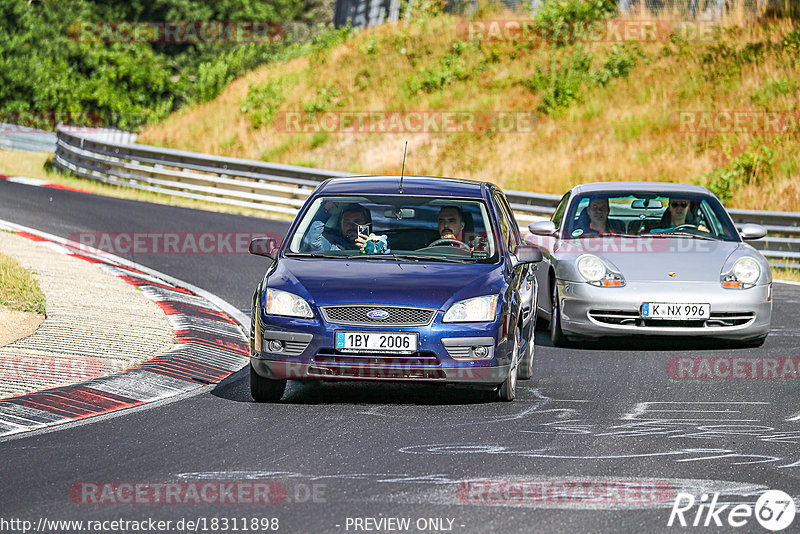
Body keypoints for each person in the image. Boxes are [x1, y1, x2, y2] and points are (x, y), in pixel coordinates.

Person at [302, 202, 371, 251]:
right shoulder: (332, 243)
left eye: (357, 221)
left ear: (366, 225)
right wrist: (325, 210)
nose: (351, 225)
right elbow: (313, 241)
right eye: (346, 221)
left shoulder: (377, 243)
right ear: (340, 224)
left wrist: (372, 249)